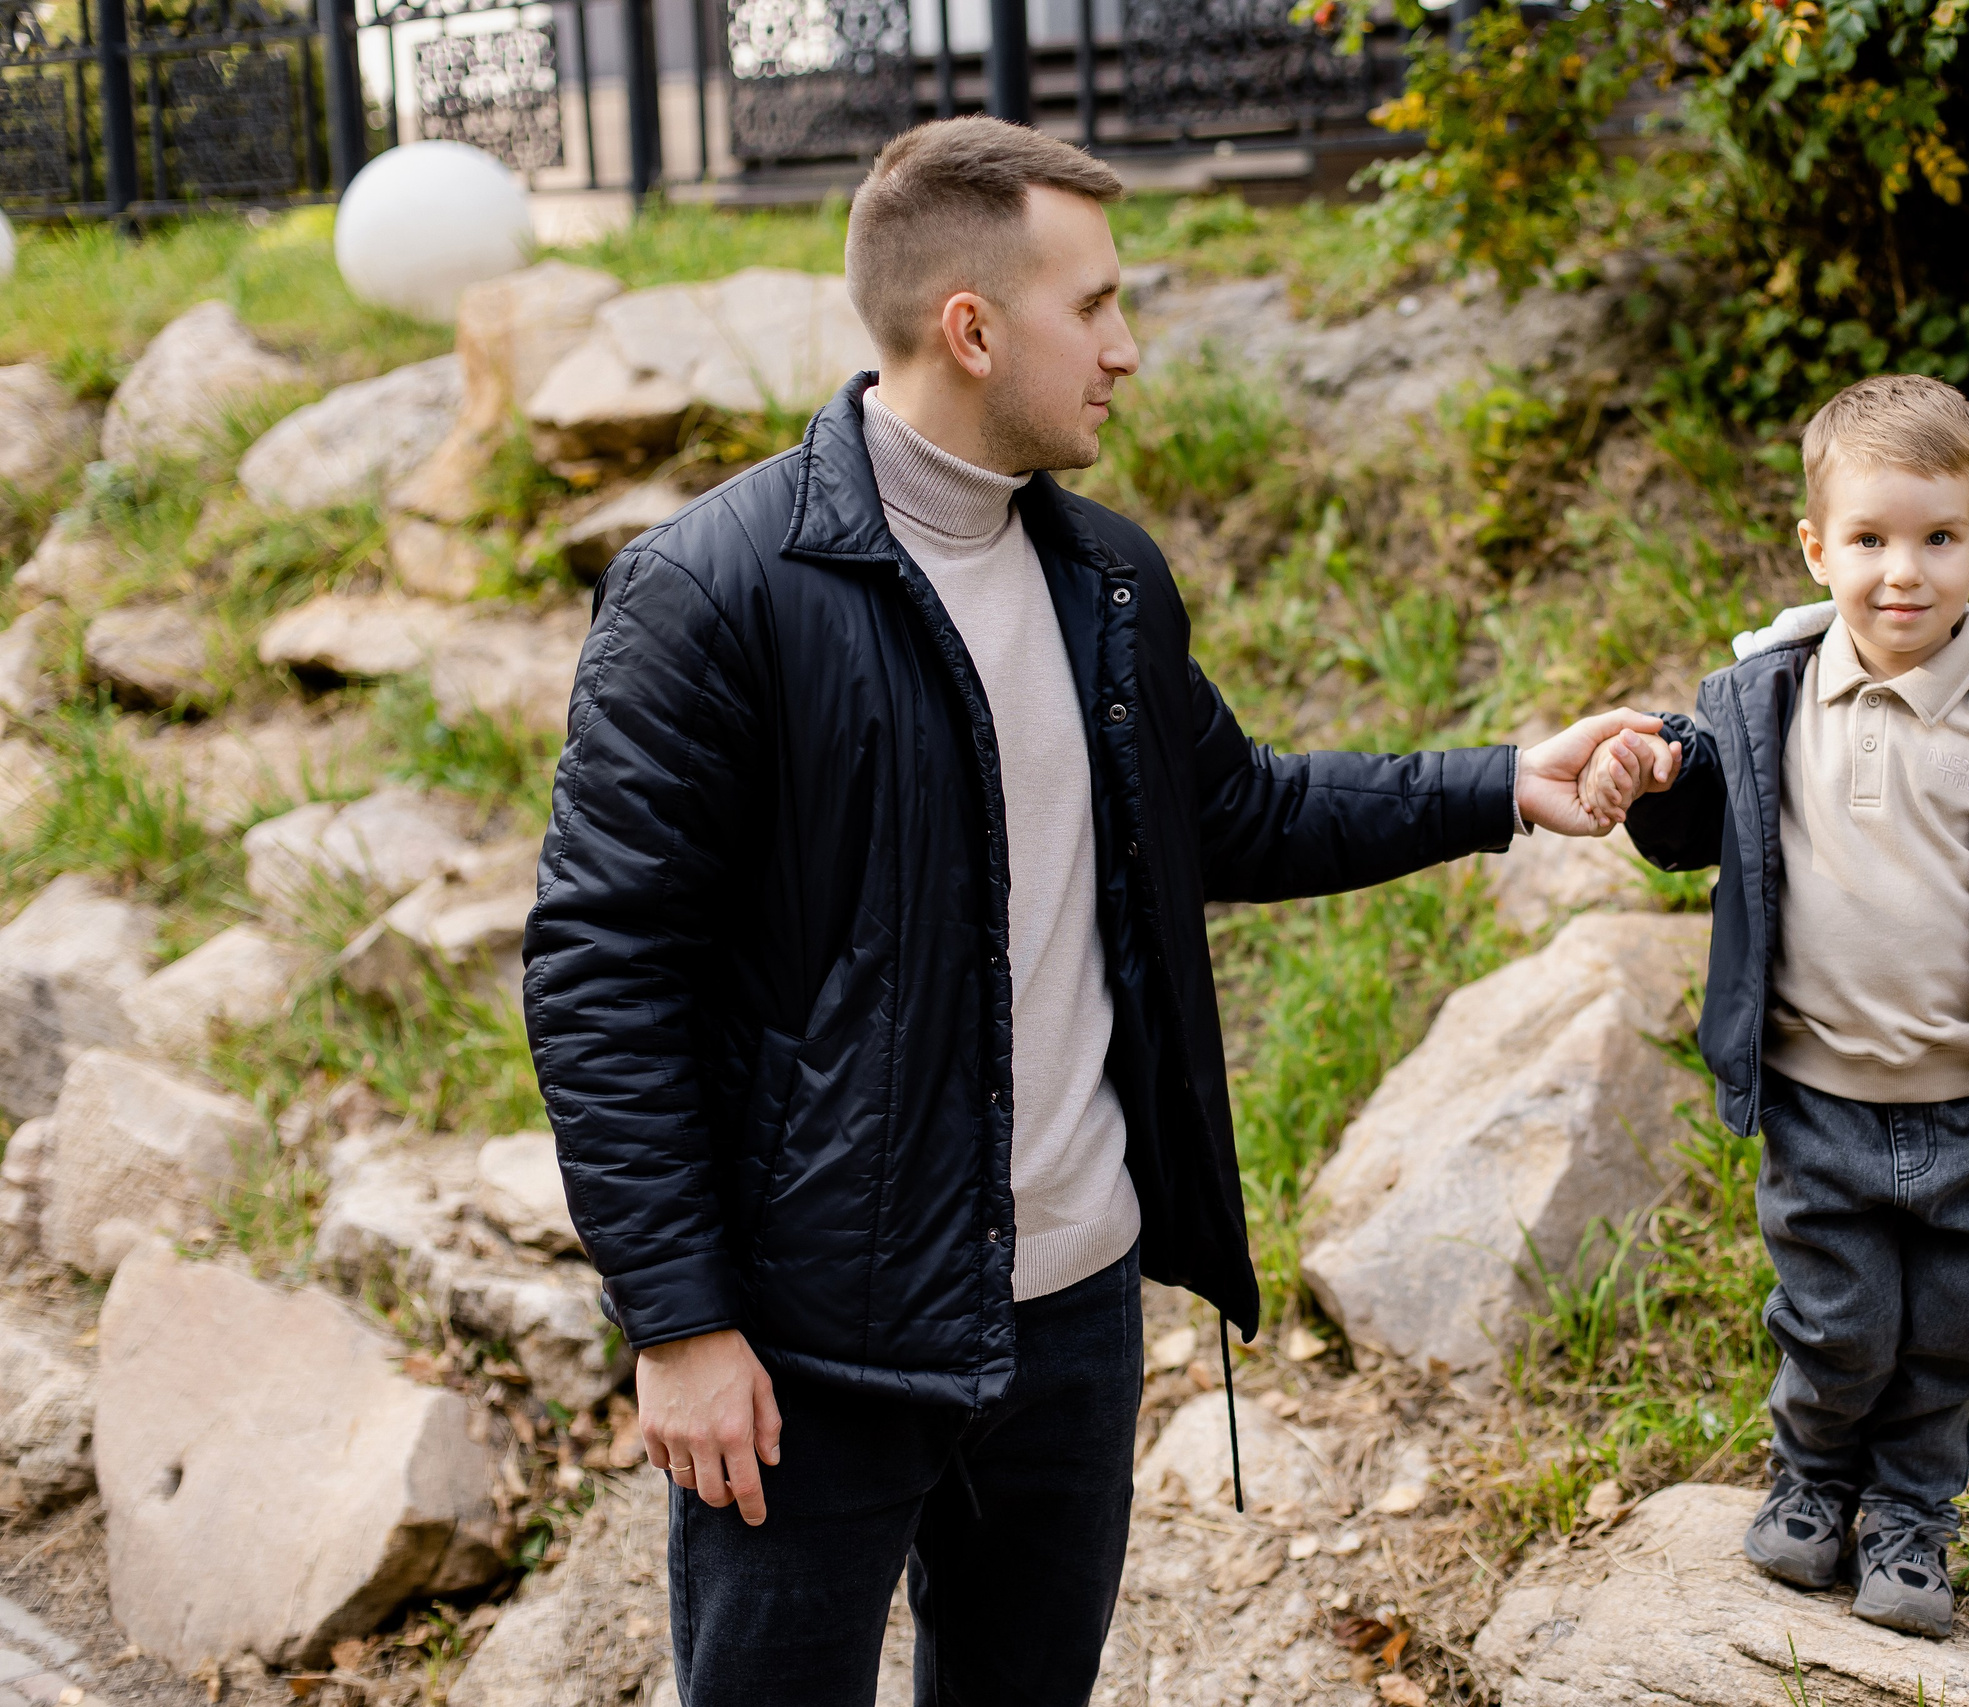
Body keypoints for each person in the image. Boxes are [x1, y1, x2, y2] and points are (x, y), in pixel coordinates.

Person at [522, 115, 1652, 1705]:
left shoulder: (1104, 575)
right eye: (1097, 306)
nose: (1128, 350)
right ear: (971, 328)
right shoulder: (716, 587)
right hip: (811, 1348)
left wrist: (1501, 783)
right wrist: (681, 1320)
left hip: (1074, 1312)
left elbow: (1230, 810)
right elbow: (601, 971)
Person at [1576, 373, 1969, 1638]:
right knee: (1835, 1319)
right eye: (1869, 540)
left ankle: (1909, 1517)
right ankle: (1811, 1479)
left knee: (1953, 1330)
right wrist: (1650, 778)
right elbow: (1691, 831)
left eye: (1938, 538)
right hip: (1818, 1097)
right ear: (1814, 546)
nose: (1904, 572)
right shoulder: (1762, 698)